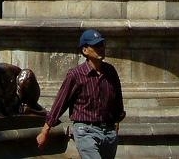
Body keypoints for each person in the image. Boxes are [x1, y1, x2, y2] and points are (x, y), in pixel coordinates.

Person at [36, 28, 125, 158]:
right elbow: (61, 102)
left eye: (102, 45)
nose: (101, 48)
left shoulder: (110, 71)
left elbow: (117, 99)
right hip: (86, 131)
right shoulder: (76, 75)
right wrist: (45, 130)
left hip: (109, 132)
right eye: (96, 46)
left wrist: (117, 122)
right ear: (85, 50)